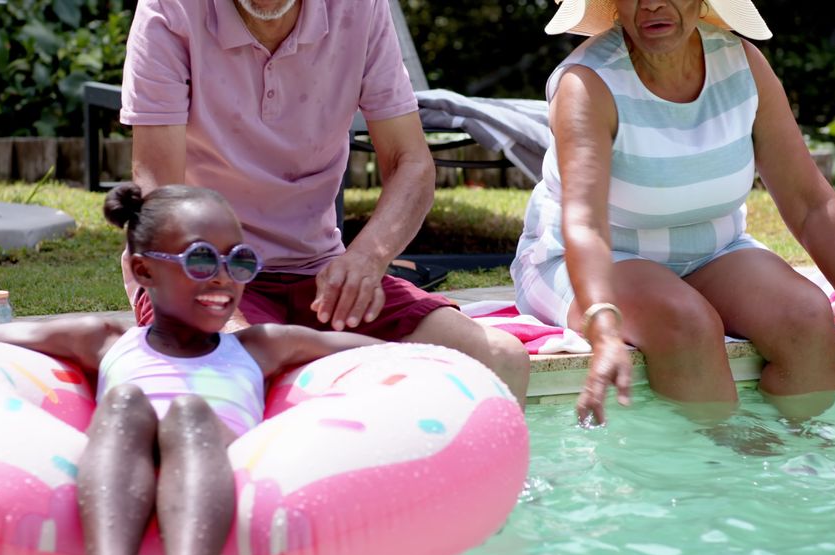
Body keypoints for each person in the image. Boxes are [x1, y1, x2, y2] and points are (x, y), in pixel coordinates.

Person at [512, 0, 835, 426]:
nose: (652, 3)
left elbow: (808, 200)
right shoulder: (587, 83)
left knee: (807, 317)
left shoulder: (742, 64)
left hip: (713, 250)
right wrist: (603, 330)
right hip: (589, 258)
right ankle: (717, 470)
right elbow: (586, 226)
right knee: (688, 323)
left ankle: (800, 466)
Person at [119, 0, 530, 404]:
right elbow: (160, 190)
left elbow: (411, 163)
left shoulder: (362, 8)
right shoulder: (169, 8)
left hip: (319, 273)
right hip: (200, 269)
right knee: (233, 368)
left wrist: (367, 258)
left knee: (501, 357)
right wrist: (226, 317)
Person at [0, 184, 384, 555]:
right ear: (143, 272)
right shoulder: (106, 340)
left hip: (217, 465)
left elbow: (384, 355)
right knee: (124, 404)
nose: (222, 276)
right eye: (200, 259)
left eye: (239, 260)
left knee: (188, 413)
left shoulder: (259, 346)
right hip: (123, 464)